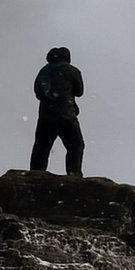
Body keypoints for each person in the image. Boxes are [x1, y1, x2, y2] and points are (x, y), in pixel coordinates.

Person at [30, 46, 85, 176]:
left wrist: (52, 97)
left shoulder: (44, 70)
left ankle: (36, 174)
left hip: (46, 115)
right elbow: (79, 91)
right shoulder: (72, 70)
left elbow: (38, 91)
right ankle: (73, 174)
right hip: (66, 114)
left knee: (42, 146)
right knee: (75, 145)